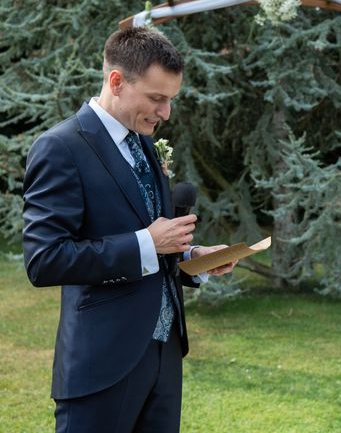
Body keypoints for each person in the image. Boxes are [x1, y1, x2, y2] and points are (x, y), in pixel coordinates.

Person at [22, 27, 235, 433]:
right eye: (157, 98)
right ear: (116, 82)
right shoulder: (61, 147)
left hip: (163, 359)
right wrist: (146, 244)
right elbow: (44, 259)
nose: (166, 112)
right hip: (101, 363)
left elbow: (153, 241)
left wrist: (192, 258)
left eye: (170, 99)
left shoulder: (145, 146)